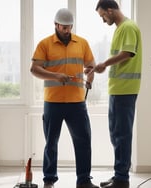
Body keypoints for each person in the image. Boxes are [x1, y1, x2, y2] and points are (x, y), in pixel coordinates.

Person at [30, 8, 99, 188]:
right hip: (53, 102)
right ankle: (49, 180)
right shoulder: (45, 44)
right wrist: (55, 76)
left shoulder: (82, 43)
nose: (67, 31)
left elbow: (91, 66)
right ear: (55, 25)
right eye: (64, 27)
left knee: (83, 141)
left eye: (69, 27)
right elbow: (34, 69)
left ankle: (84, 180)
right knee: (51, 143)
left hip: (77, 103)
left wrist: (89, 77)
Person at [90, 1, 142, 188]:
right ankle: (119, 175)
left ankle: (122, 179)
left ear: (110, 10)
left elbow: (127, 53)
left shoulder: (127, 27)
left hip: (125, 90)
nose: (103, 20)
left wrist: (104, 64)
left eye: (103, 15)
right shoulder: (121, 28)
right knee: (116, 134)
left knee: (122, 135)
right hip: (118, 89)